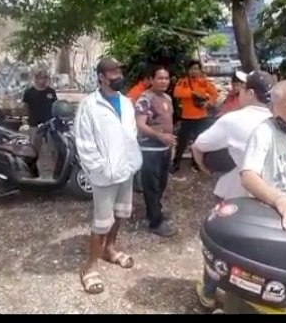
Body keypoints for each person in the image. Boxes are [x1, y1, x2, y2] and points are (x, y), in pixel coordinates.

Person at [191, 70, 276, 309]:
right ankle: (247, 299)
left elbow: (199, 145)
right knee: (255, 252)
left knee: (219, 247)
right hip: (269, 200)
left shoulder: (233, 119)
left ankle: (209, 293)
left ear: (250, 93)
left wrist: (204, 167)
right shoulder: (278, 121)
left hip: (233, 195)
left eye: (243, 87)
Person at [74, 58, 143, 295]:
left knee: (121, 212)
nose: (118, 74)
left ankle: (110, 249)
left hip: (125, 170)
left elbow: (131, 134)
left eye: (120, 70)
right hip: (104, 174)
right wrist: (99, 168)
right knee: (101, 221)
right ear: (102, 76)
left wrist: (132, 161)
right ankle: (90, 267)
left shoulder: (126, 102)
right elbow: (83, 141)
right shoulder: (89, 105)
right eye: (113, 71)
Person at [240, 80, 286, 240]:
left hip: (284, 212)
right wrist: (281, 201)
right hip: (264, 214)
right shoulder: (264, 132)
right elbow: (248, 176)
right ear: (272, 108)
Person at [135, 66, 178, 237]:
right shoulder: (145, 99)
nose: (163, 81)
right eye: (160, 78)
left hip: (165, 148)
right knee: (151, 186)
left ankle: (153, 210)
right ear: (151, 80)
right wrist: (160, 137)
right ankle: (155, 221)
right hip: (150, 149)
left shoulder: (167, 98)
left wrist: (171, 145)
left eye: (166, 78)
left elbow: (169, 123)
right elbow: (140, 124)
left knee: (161, 183)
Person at [171, 60, 218, 172]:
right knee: (182, 142)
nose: (194, 71)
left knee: (199, 141)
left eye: (196, 69)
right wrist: (191, 93)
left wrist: (208, 103)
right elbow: (176, 93)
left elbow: (215, 94)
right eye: (192, 69)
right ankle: (176, 163)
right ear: (188, 70)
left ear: (200, 70)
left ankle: (197, 163)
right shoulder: (183, 82)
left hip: (201, 117)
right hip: (187, 117)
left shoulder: (204, 82)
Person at [22, 70, 58, 153]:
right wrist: (24, 120)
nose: (44, 80)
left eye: (46, 77)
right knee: (33, 148)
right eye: (41, 78)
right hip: (34, 124)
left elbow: (55, 105)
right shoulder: (29, 92)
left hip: (49, 125)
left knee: (52, 149)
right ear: (36, 79)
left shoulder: (51, 92)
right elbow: (25, 107)